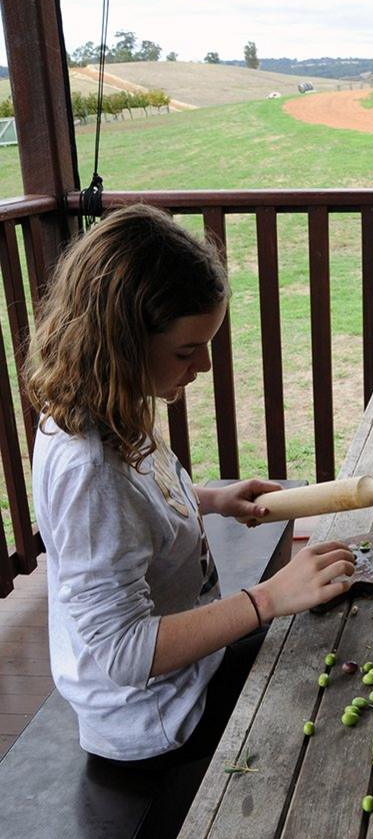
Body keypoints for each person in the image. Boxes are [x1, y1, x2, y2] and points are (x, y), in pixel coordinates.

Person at [27, 204, 355, 767]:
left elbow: (138, 510)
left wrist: (212, 500)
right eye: (186, 351)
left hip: (189, 672)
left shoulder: (110, 404)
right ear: (123, 342)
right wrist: (270, 597)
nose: (203, 365)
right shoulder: (89, 472)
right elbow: (123, 652)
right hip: (157, 717)